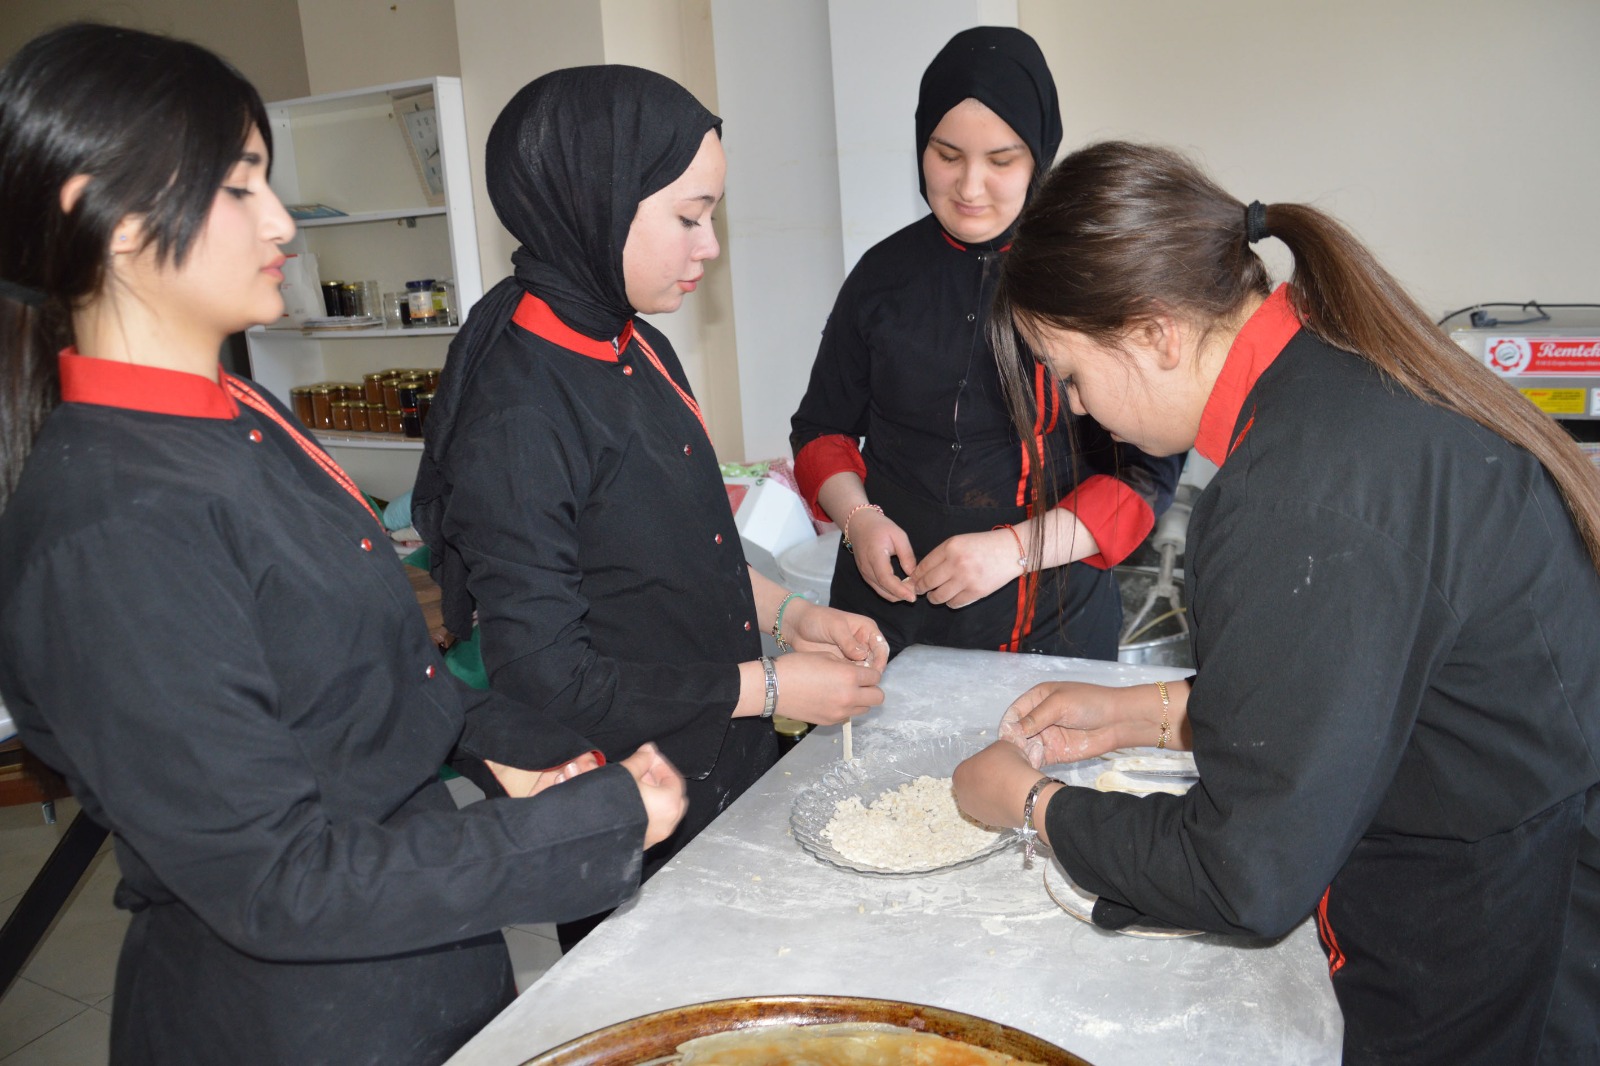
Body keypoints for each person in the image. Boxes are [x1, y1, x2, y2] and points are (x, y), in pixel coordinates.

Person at [0, 24, 687, 1065]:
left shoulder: (235, 411)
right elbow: (279, 880)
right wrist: (584, 826)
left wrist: (494, 741)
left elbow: (357, 676)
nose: (279, 220)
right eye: (238, 188)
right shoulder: (116, 521)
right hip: (290, 1017)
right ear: (111, 217)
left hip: (409, 960)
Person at [952, 141, 1600, 1063]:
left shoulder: (1297, 496)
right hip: (1526, 832)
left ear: (1155, 334)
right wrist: (1148, 711)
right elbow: (1363, 673)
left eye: (1070, 372)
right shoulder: (1333, 375)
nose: (1082, 408)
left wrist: (1033, 803)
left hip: (1489, 914)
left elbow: (1243, 873)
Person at [411, 67, 886, 946]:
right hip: (632, 801)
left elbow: (684, 555)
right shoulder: (520, 414)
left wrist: (794, 617)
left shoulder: (641, 343)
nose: (708, 247)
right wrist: (775, 684)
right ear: (595, 202)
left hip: (724, 762)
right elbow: (552, 678)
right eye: (688, 217)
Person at [789, 26, 1183, 661]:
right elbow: (819, 433)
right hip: (887, 609)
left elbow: (1144, 478)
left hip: (1052, 617)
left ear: (1041, 156)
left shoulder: (1088, 279)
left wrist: (1013, 549)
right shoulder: (881, 276)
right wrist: (859, 520)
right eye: (947, 156)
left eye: (1001, 161)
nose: (970, 188)